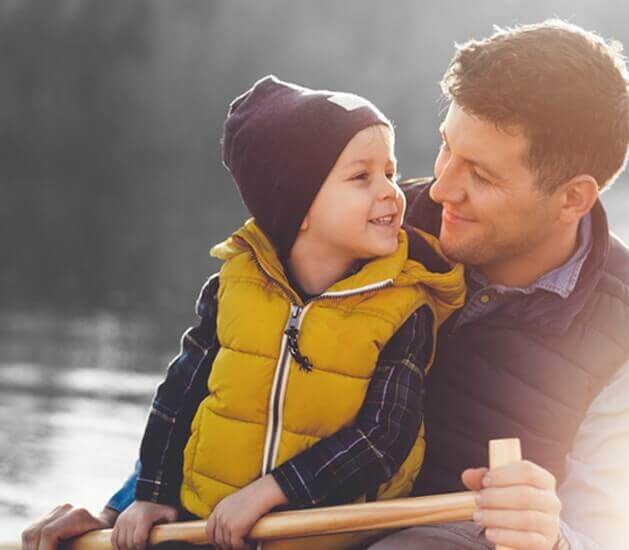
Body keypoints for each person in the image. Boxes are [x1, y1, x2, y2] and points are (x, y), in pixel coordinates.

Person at [28, 19, 629, 550]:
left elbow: (613, 535)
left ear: (572, 198)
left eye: (481, 175)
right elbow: (243, 384)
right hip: (291, 529)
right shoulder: (370, 226)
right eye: (445, 147)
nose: (442, 187)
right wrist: (124, 513)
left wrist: (554, 540)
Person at [24, 75, 466, 550]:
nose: (390, 192)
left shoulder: (405, 306)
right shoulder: (232, 288)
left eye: (389, 171)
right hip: (206, 527)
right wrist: (149, 494)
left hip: (330, 538)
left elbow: (384, 438)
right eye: (362, 177)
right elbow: (179, 398)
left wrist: (271, 494)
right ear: (297, 204)